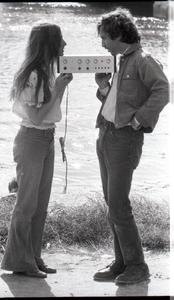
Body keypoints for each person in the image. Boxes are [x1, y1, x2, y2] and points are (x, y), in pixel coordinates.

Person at [93, 7, 169, 284]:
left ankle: (138, 267)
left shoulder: (143, 60)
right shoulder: (123, 60)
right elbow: (118, 103)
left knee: (118, 205)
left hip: (124, 140)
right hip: (106, 135)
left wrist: (139, 121)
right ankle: (122, 262)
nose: (102, 43)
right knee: (112, 204)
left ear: (118, 34)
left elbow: (163, 90)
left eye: (104, 37)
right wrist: (103, 88)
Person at [1, 23, 73, 278]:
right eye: (61, 40)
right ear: (48, 44)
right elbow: (37, 115)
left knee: (40, 205)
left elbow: (50, 113)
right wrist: (60, 90)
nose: (64, 45)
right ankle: (21, 262)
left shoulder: (47, 71)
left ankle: (32, 258)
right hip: (32, 139)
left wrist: (59, 88)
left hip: (45, 138)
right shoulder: (33, 74)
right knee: (27, 204)